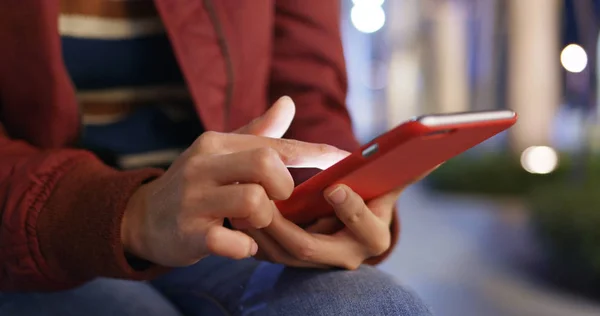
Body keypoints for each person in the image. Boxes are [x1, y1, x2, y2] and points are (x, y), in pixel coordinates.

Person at [0, 1, 432, 315]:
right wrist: (130, 214)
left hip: (231, 229)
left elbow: (309, 98)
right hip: (49, 232)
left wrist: (336, 201)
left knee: (375, 308)